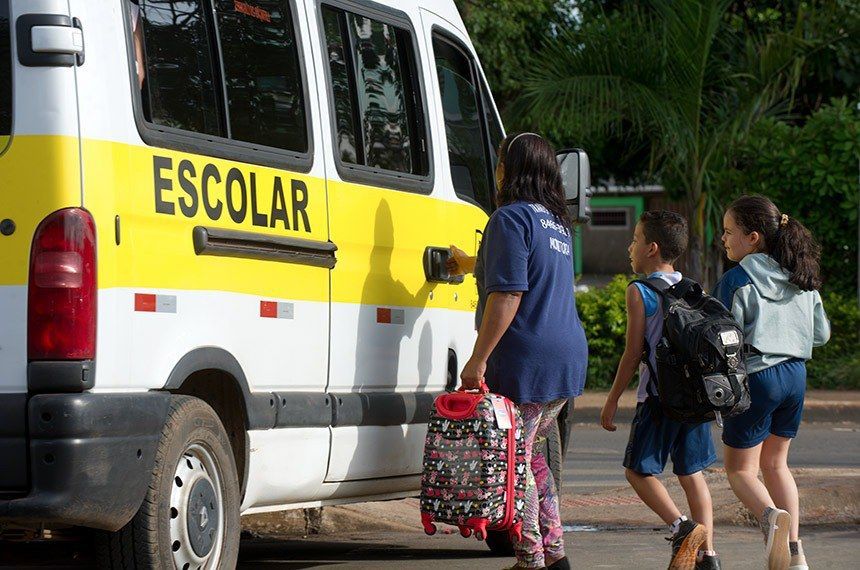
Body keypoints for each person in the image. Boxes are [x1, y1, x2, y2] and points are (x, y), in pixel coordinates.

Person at [454, 132, 588, 570]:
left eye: (500, 160)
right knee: (531, 457)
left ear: (511, 168)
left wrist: (477, 359)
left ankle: (531, 559)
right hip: (565, 360)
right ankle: (556, 555)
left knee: (514, 463)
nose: (496, 169)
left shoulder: (509, 218)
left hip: (528, 362)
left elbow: (508, 294)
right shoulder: (557, 223)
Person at [713, 195, 830, 570]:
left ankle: (771, 517)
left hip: (758, 377)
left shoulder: (737, 280)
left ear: (753, 238)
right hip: (795, 376)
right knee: (777, 465)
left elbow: (721, 338)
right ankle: (796, 554)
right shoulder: (801, 278)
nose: (723, 238)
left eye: (728, 231)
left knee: (740, 471)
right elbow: (821, 335)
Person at [600, 211, 721, 570]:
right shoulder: (694, 288)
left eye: (635, 240)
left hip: (658, 398)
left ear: (651, 248)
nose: (630, 247)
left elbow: (633, 353)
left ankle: (681, 527)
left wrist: (612, 400)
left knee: (638, 471)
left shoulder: (639, 291)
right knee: (691, 474)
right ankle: (709, 557)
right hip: (695, 398)